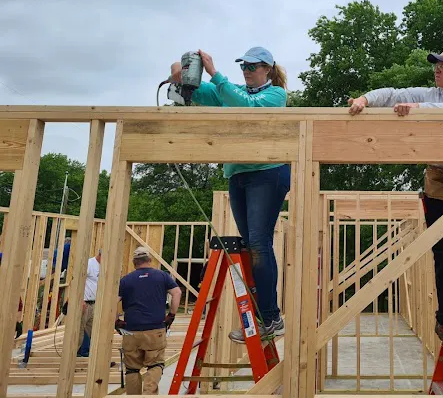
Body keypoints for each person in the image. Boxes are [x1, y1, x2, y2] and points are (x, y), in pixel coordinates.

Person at [348, 47, 443, 343]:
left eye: (442, 66)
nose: (436, 70)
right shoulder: (430, 94)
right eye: (435, 66)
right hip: (440, 183)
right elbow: (393, 94)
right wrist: (365, 99)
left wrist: (416, 109)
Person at [169, 47, 290, 342]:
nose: (247, 71)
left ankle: (271, 317)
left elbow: (247, 106)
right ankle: (263, 318)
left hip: (267, 171)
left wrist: (213, 72)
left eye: (252, 67)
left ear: (267, 69)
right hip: (238, 174)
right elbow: (204, 92)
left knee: (260, 243)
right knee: (251, 245)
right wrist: (184, 74)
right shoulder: (231, 90)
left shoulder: (275, 95)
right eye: (244, 67)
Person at [116, 247, 182, 395]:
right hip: (155, 329)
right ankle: (148, 394)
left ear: (134, 262)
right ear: (150, 260)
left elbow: (114, 301)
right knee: (155, 365)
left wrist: (116, 321)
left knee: (132, 369)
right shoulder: (162, 276)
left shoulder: (126, 280)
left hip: (131, 330)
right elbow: (177, 293)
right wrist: (171, 315)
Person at [77, 248, 101, 356]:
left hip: (95, 304)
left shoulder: (104, 266)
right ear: (100, 255)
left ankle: (90, 354)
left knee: (93, 330)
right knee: (79, 330)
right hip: (85, 303)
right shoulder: (90, 264)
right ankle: (75, 355)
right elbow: (78, 281)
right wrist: (80, 300)